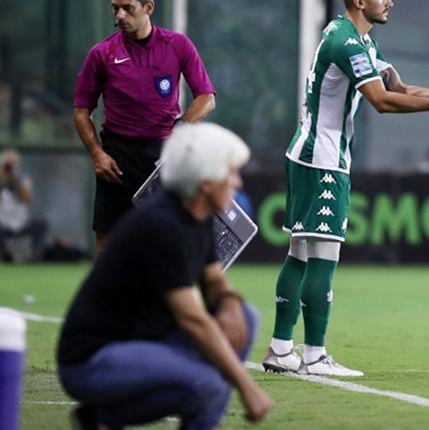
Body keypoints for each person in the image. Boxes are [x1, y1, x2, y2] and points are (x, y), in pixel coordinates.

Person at [263, 0, 429, 377]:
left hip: (306, 153)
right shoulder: (347, 43)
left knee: (299, 253)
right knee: (322, 257)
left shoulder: (356, 38)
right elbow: (382, 102)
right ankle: (314, 355)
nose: (390, 2)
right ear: (359, 1)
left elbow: (398, 88)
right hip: (324, 160)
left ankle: (280, 349)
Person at [56, 123, 272, 429]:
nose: (238, 182)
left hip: (146, 341)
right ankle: (103, 417)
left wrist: (230, 302)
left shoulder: (197, 214)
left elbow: (213, 280)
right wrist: (246, 386)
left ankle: (100, 419)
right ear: (206, 182)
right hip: (92, 359)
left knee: (246, 317)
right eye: (231, 173)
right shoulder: (164, 226)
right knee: (209, 385)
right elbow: (193, 320)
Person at [73, 0, 216, 253]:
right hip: (116, 159)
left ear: (149, 8)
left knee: (167, 240)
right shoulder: (101, 54)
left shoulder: (178, 45)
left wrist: (182, 127)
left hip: (162, 157)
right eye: (115, 8)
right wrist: (97, 154)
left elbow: (206, 98)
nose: (120, 15)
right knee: (108, 243)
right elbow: (81, 112)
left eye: (128, 8)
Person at [0, 148, 48, 263]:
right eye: (8, 164)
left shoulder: (23, 179)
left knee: (41, 224)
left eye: (13, 163)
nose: (10, 167)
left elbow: (27, 199)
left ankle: (34, 254)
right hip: (3, 222)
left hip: (22, 222)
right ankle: (4, 255)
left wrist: (15, 180)